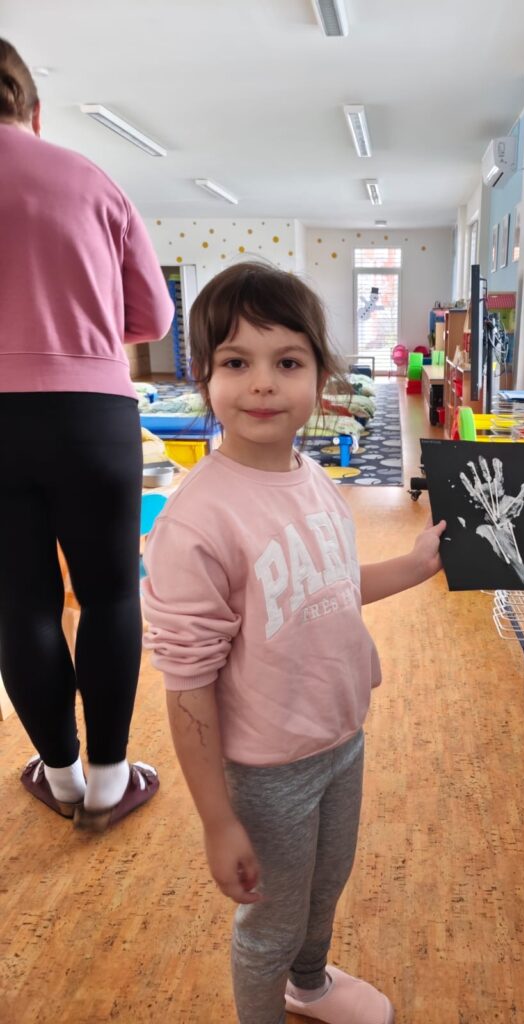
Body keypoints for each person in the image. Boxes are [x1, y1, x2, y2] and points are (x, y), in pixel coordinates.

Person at [142, 262, 445, 1024]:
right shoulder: (197, 522)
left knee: (324, 888)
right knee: (268, 925)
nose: (262, 384)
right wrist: (218, 819)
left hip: (341, 737)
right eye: (235, 363)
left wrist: (413, 566)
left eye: (286, 362)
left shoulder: (313, 480)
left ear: (320, 377)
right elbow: (187, 685)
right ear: (204, 377)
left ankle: (308, 984)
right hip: (267, 767)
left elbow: (328, 586)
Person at [0, 39, 174, 830]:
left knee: (20, 606)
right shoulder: (91, 181)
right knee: (109, 594)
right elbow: (154, 318)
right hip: (91, 410)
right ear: (34, 112)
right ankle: (109, 780)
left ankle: (60, 774)